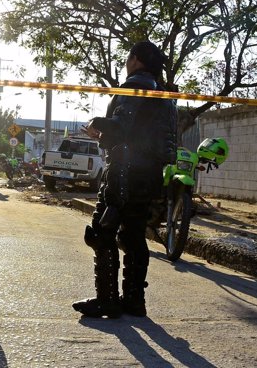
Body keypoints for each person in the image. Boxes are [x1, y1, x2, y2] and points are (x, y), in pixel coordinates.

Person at [72, 41, 177, 318]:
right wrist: (105, 135)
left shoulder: (133, 86)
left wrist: (97, 124)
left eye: (129, 56)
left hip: (124, 171)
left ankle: (107, 299)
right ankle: (134, 301)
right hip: (150, 174)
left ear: (136, 59)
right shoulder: (165, 96)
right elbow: (151, 139)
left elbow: (122, 127)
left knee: (102, 231)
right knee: (133, 236)